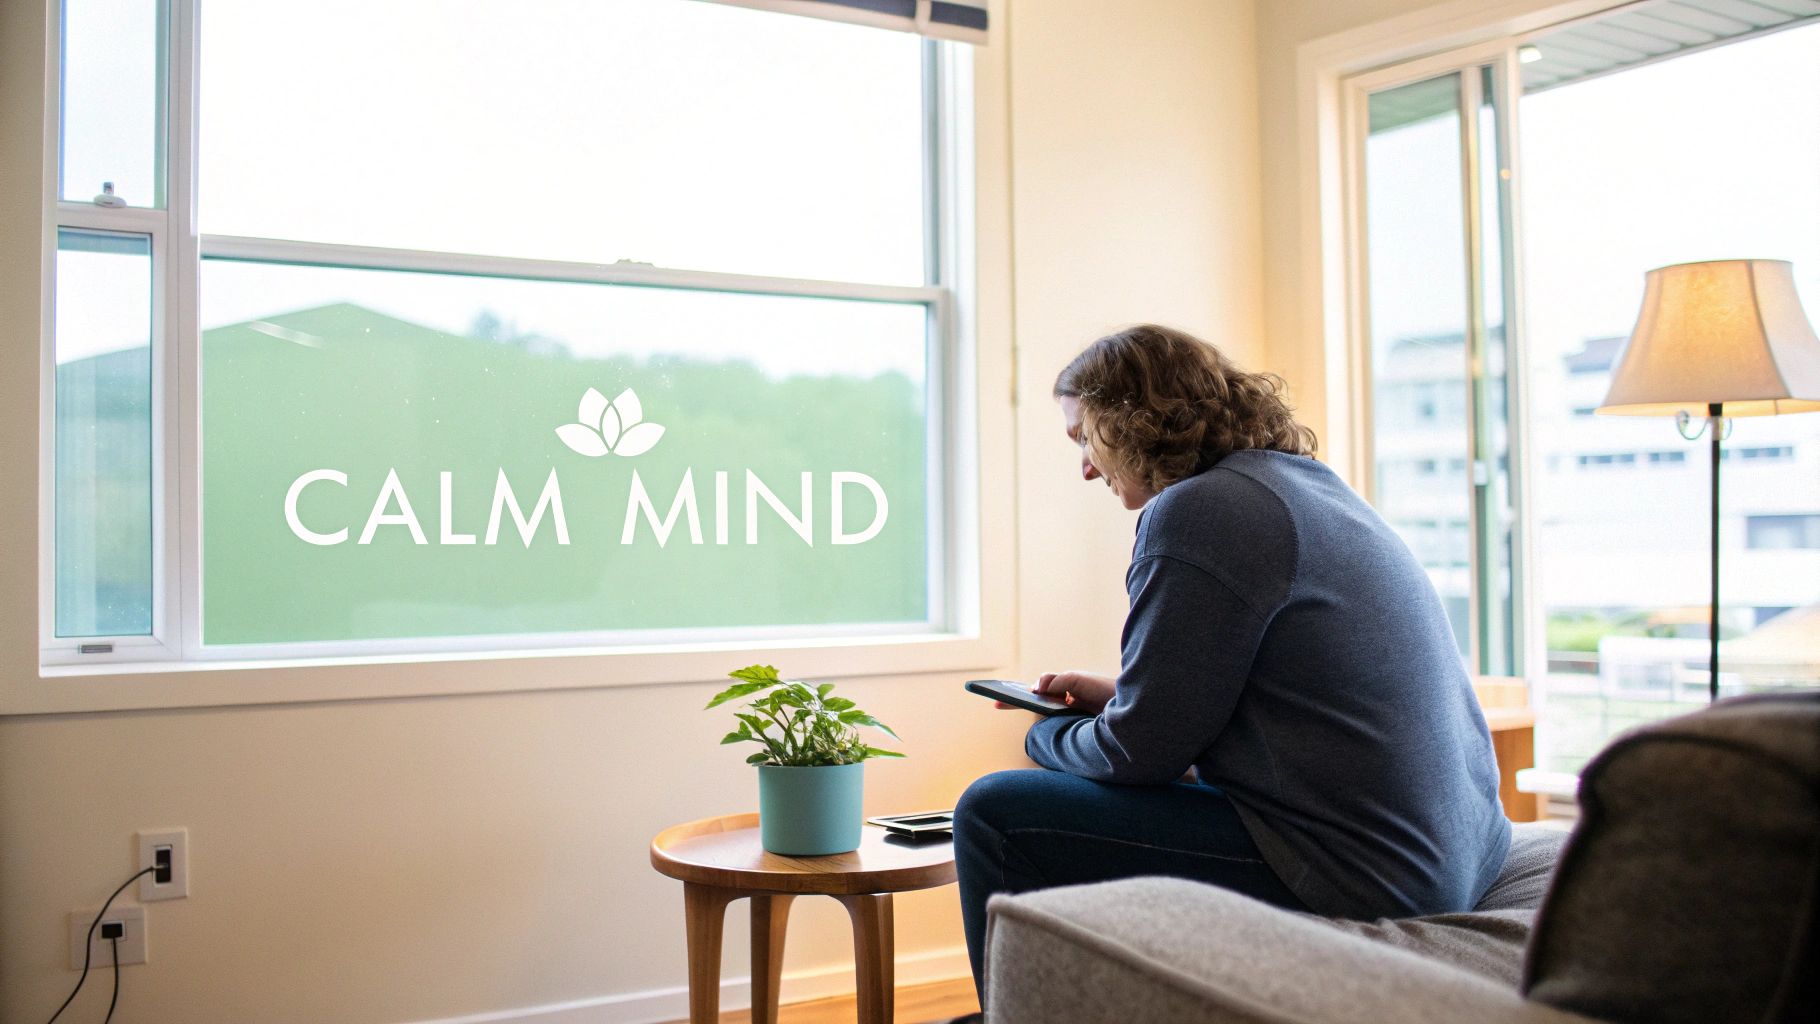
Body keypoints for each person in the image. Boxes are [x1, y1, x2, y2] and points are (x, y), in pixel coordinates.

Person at [953, 324, 1510, 1000]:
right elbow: (1266, 692)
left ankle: (1019, 1013)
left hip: (1368, 872)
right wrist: (1124, 695)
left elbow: (1140, 755)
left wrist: (1044, 734)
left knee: (993, 809)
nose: (1087, 468)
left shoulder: (1197, 511)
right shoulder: (1302, 485)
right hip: (1462, 849)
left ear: (1130, 421)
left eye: (1084, 437)